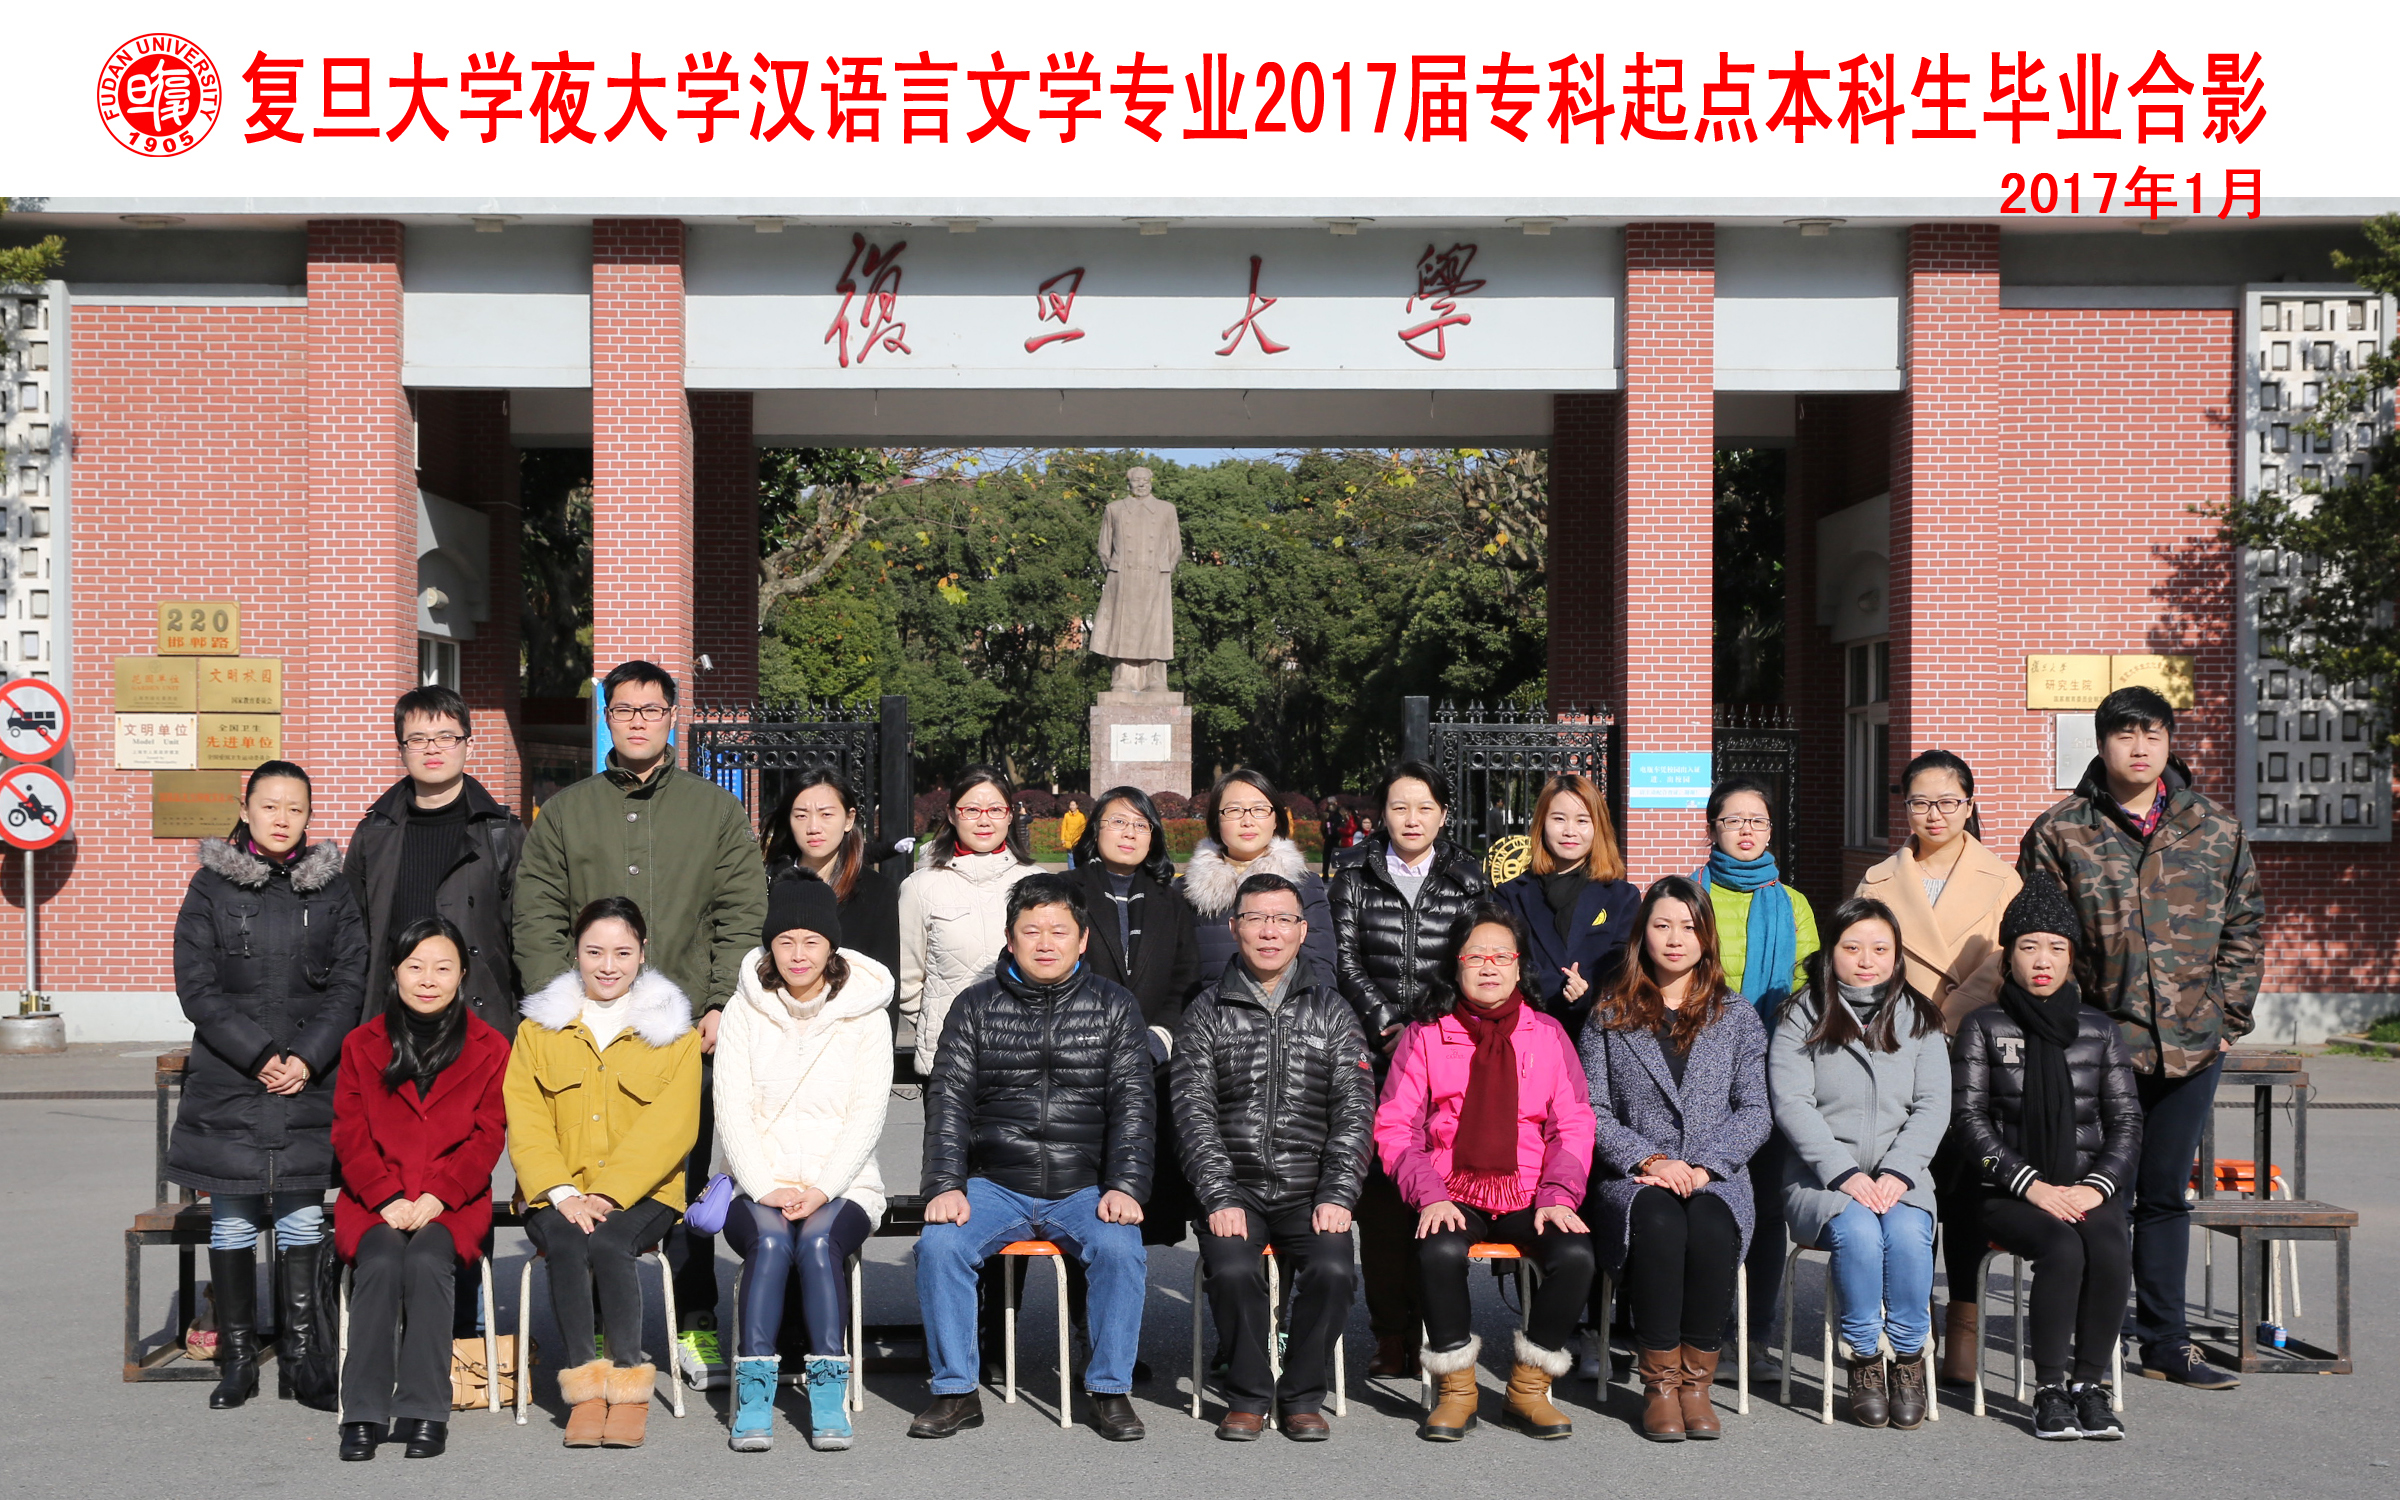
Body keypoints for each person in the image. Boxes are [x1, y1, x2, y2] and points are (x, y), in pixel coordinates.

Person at [513, 660, 767, 1354]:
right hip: (586, 1029)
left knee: (681, 1178)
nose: (637, 722)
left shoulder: (714, 810)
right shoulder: (567, 811)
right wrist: (558, 1004)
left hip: (680, 1034)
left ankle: (694, 1321)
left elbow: (741, 913)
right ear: (607, 717)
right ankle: (596, 1326)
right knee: (588, 1170)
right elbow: (536, 913)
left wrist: (720, 1000)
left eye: (651, 710)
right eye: (624, 709)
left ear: (672, 717)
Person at [2018, 685, 2260, 1393]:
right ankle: (2095, 1343)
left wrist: (2226, 1021)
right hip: (2099, 1049)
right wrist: (2067, 1034)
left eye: (2152, 734)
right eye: (2125, 735)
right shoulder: (2062, 831)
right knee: (2102, 1197)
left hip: (2191, 1046)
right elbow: (2043, 938)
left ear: (2169, 742)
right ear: (2101, 744)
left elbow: (2244, 927)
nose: (2139, 747)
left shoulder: (2214, 829)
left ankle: (2166, 1341)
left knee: (2164, 1196)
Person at [909, 874, 1156, 1443]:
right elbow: (948, 1101)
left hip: (1083, 1185)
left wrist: (1125, 1186)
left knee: (1120, 1249)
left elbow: (1134, 1105)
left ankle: (1109, 1390)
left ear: (1082, 939)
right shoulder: (975, 1006)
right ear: (1009, 937)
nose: (1045, 943)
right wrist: (945, 1184)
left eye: (1059, 931)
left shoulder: (1115, 1006)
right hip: (995, 1182)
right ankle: (955, 1391)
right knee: (940, 1246)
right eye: (1031, 931)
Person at [167, 760, 368, 1411]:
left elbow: (351, 981)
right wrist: (257, 1055)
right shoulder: (210, 886)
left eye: (295, 808)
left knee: (301, 1217)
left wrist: (307, 1057)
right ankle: (237, 1359)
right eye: (270, 806)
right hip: (231, 1080)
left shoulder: (333, 889)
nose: (282, 819)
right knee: (231, 1221)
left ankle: (302, 1360)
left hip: (310, 1081)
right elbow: (196, 985)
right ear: (246, 809)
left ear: (309, 816)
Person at [343, 683, 525, 1343]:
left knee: (464, 1175)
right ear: (402, 748)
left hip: (475, 1029)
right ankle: (394, 1329)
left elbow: (523, 936)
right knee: (396, 1171)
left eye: (446, 737)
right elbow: (355, 934)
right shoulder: (375, 831)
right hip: (392, 1029)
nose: (432, 749)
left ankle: (462, 1334)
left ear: (466, 744)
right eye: (418, 738)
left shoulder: (501, 832)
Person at [1376, 901, 1595, 1441]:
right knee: (1438, 1249)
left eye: (1502, 956)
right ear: (1456, 965)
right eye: (1476, 956)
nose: (1489, 967)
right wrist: (1429, 1194)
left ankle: (1528, 1389)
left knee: (1575, 1255)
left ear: (1520, 967)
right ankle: (1456, 1391)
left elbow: (1572, 1124)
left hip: (1531, 1190)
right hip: (1451, 1187)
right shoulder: (1426, 1035)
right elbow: (1396, 1127)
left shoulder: (1548, 1035)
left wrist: (1558, 1194)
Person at [1173, 872, 1374, 1441]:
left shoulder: (1332, 1011)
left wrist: (1337, 1193)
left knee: (1334, 1269)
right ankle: (1248, 1394)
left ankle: (1302, 1394)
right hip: (1234, 1189)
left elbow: (1355, 1110)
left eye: (1283, 919)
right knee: (1234, 1269)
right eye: (1256, 919)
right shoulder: (1207, 1011)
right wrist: (1218, 1195)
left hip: (1309, 1191)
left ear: (1302, 930)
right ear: (1233, 927)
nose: (1269, 931)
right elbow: (1192, 1112)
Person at [506, 896, 704, 1450]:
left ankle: (629, 1388)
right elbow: (526, 1119)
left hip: (644, 1194)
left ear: (642, 953)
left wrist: (612, 1193)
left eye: (622, 952)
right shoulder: (538, 1030)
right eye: (594, 952)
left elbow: (671, 1128)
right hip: (555, 1191)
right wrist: (563, 1192)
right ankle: (586, 1391)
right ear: (576, 953)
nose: (608, 965)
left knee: (611, 1243)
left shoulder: (674, 1035)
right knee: (569, 1242)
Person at [1580, 875, 1770, 1442]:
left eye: (1688, 927)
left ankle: (1696, 1386)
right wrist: (1651, 1161)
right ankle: (1660, 1385)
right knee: (1661, 1226)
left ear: (1706, 937)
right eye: (1662, 925)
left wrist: (1707, 1166)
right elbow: (1591, 1109)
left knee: (1710, 1227)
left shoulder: (1736, 1016)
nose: (1675, 938)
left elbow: (1756, 1109)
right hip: (1636, 1177)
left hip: (1716, 1174)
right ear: (1642, 935)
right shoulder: (1609, 1014)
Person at [1955, 872, 2142, 1440]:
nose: (2043, 960)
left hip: (2085, 1187)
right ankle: (2050, 1390)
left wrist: (2096, 1187)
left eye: (2056, 948)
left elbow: (2126, 1121)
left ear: (2071, 958)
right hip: (2006, 1193)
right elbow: (1968, 1121)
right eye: (2029, 946)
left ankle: (2090, 1387)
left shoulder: (2099, 1030)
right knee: (2062, 1247)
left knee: (2109, 1243)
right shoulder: (1983, 1026)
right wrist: (2031, 1185)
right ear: (2008, 956)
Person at [1855, 748, 2022, 1381]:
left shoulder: (2002, 879)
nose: (1934, 814)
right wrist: (1913, 1020)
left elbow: (2007, 956)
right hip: (1897, 1046)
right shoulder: (1877, 881)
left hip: (1972, 1046)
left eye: (1948, 802)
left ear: (1969, 806)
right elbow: (1862, 955)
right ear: (1903, 807)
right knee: (1908, 1181)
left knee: (1967, 1184)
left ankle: (1964, 1324)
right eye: (1920, 802)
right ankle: (1911, 1322)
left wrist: (1949, 1014)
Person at [715, 872, 894, 1453]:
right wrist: (762, 1185)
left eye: (811, 941)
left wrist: (822, 1188)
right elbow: (731, 1109)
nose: (798, 954)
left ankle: (827, 1393)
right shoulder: (744, 1010)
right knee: (770, 1242)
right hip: (756, 1183)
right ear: (769, 946)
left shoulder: (865, 1014)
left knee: (818, 1243)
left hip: (843, 1184)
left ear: (831, 945)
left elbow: (867, 1116)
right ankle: (755, 1395)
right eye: (785, 941)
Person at [1328, 759, 1489, 1378]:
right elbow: (1344, 959)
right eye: (1400, 807)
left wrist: (1426, 1029)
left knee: (1441, 1189)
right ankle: (1390, 1332)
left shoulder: (1468, 877)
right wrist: (1386, 1023)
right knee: (1382, 1203)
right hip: (1372, 1056)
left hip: (1447, 1052)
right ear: (1382, 814)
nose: (1412, 818)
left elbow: (1473, 957)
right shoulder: (1354, 872)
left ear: (1443, 814)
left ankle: (1435, 1330)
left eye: (1425, 807)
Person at [330, 916, 510, 1461]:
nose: (428, 979)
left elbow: (488, 1135)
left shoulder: (490, 1046)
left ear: (462, 975)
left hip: (453, 1201)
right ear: (395, 971)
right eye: (415, 966)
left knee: (430, 1260)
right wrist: (386, 1197)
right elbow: (349, 1132)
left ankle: (425, 1409)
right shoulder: (361, 1044)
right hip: (374, 1201)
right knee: (382, 1262)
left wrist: (439, 1196)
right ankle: (363, 1412)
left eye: (442, 967)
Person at [1769, 897, 1950, 1430]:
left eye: (1879, 948)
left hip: (1903, 1177)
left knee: (1909, 1235)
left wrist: (1899, 1172)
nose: (1866, 960)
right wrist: (1843, 1173)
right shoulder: (1802, 1014)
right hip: (1821, 1180)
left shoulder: (1920, 1017)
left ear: (1897, 955)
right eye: (1852, 948)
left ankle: (1909, 1356)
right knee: (1861, 1234)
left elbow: (1933, 1105)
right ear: (1831, 952)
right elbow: (1791, 1102)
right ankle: (1865, 1356)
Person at [1695, 774, 1819, 1357]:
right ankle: (1699, 1333)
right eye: (1733, 820)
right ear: (1712, 828)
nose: (1746, 831)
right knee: (1704, 1202)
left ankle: (1755, 1335)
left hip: (1768, 1073)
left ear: (1771, 830)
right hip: (1693, 1070)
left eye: (1758, 821)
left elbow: (1807, 988)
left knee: (1766, 1209)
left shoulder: (1793, 904)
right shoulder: (1686, 896)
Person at [1068, 786, 1201, 1249]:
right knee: (1083, 1203)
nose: (1129, 833)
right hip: (1078, 1062)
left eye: (1140, 825)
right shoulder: (1066, 892)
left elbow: (1186, 978)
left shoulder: (1172, 900)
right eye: (1117, 822)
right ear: (1095, 831)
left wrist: (1159, 1036)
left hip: (1152, 1066)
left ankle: (1125, 1287)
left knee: (1138, 1202)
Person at [899, 765, 1042, 1079]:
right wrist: (939, 1024)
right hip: (949, 1061)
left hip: (1027, 1058)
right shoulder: (920, 887)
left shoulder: (1038, 883)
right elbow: (906, 979)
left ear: (1010, 815)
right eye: (972, 810)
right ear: (952, 814)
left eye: (995, 809)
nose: (984, 820)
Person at [1491, 773, 1641, 1040]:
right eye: (1559, 819)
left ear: (1597, 827)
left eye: (1582, 820)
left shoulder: (1622, 897)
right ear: (1542, 823)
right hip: (1531, 1030)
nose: (1570, 830)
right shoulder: (1510, 895)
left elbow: (1624, 961)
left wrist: (1587, 989)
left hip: (1601, 1033)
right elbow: (1511, 961)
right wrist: (1560, 988)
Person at [1178, 768, 1336, 986]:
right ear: (1216, 821)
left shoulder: (1304, 885)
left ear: (1275, 820)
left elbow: (1320, 972)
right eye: (1234, 810)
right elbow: (1177, 979)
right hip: (1208, 1007)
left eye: (1259, 809)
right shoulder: (1186, 890)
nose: (1247, 821)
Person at [762, 769, 903, 979]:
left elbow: (886, 980)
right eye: (801, 816)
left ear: (849, 819)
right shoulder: (767, 885)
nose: (813, 827)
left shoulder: (878, 891)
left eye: (826, 814)